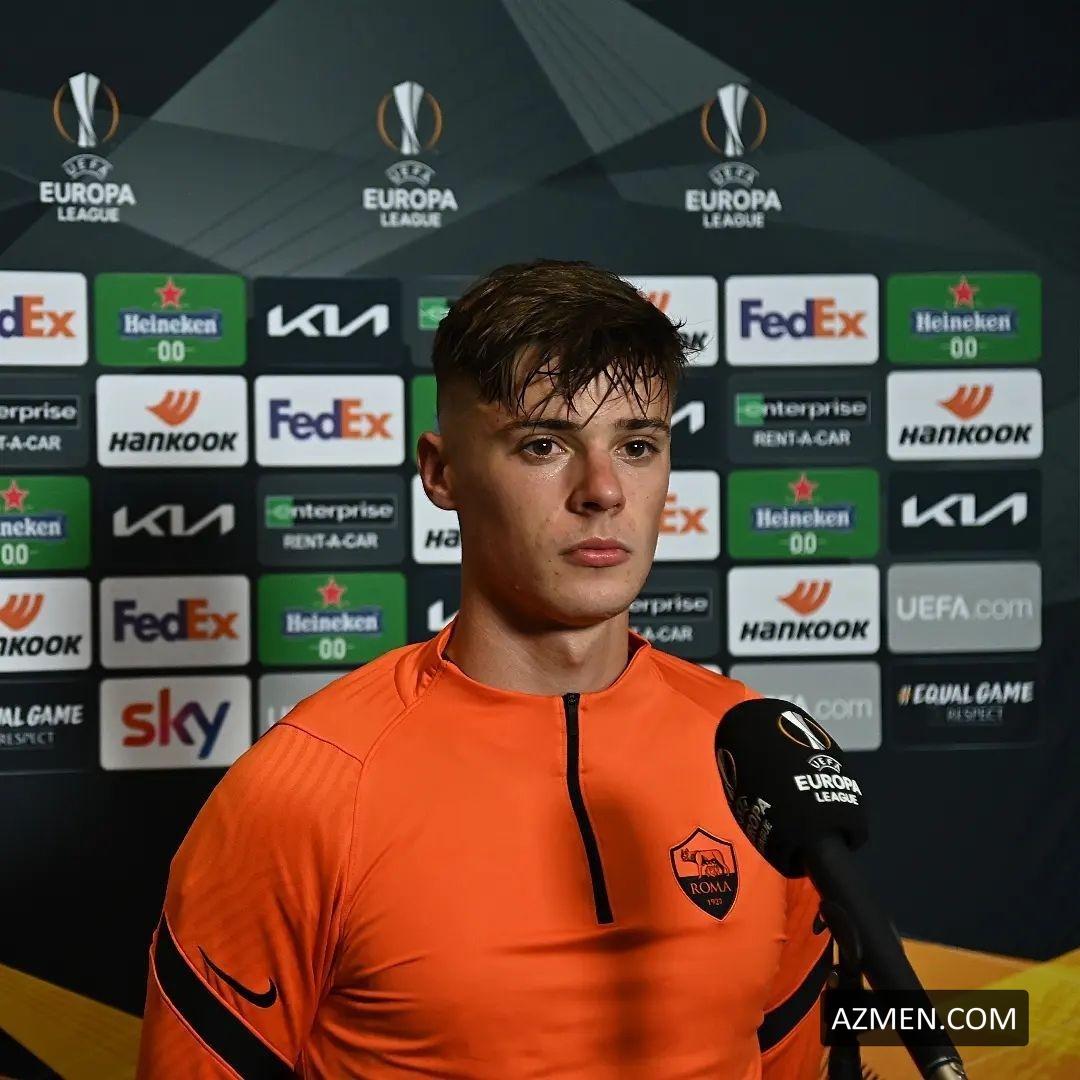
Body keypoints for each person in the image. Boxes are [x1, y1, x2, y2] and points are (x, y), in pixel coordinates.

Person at [136, 259, 831, 1078]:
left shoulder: (757, 757)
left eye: (637, 445)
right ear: (442, 473)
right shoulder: (308, 791)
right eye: (544, 445)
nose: (603, 490)